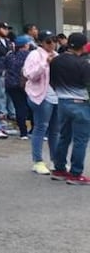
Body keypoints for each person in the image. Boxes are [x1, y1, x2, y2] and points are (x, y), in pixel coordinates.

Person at [48, 32, 90, 185]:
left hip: (62, 102)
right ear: (83, 46)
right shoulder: (83, 64)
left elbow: (51, 81)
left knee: (64, 136)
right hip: (81, 104)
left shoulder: (55, 61)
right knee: (80, 140)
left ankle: (59, 169)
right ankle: (75, 173)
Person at [23, 33, 59, 175]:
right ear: (41, 42)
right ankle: (38, 161)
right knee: (40, 127)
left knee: (55, 130)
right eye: (49, 41)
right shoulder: (34, 55)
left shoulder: (56, 54)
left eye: (55, 41)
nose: (52, 44)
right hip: (40, 96)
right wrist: (45, 64)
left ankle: (57, 161)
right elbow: (30, 75)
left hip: (56, 95)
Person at [3, 35, 35, 140]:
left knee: (19, 107)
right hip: (26, 84)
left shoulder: (10, 55)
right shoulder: (30, 55)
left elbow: (5, 66)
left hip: (11, 85)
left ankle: (23, 132)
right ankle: (34, 129)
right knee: (32, 107)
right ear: (26, 45)